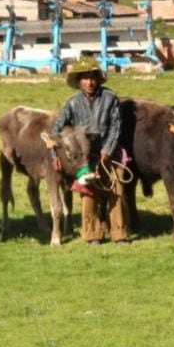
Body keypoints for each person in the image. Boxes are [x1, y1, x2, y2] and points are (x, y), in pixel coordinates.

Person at [50, 56, 128, 246]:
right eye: (84, 78)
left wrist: (108, 149)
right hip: (85, 157)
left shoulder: (110, 98)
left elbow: (116, 126)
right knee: (87, 193)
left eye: (92, 77)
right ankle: (92, 234)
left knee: (117, 191)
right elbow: (55, 130)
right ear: (78, 81)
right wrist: (54, 155)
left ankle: (119, 234)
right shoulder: (72, 103)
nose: (89, 81)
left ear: (98, 79)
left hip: (111, 153)